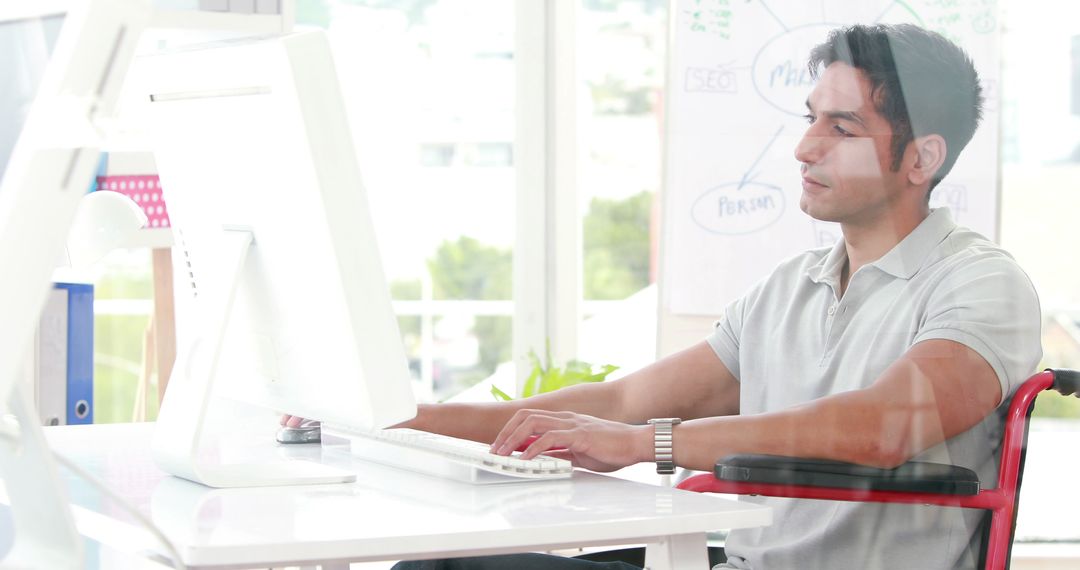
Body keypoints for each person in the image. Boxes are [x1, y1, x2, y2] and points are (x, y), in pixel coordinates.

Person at [289, 23, 1042, 570]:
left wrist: (645, 447)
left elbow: (881, 430)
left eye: (840, 127)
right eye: (809, 118)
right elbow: (617, 407)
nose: (805, 146)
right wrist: (381, 417)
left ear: (921, 158)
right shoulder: (787, 290)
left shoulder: (979, 283)